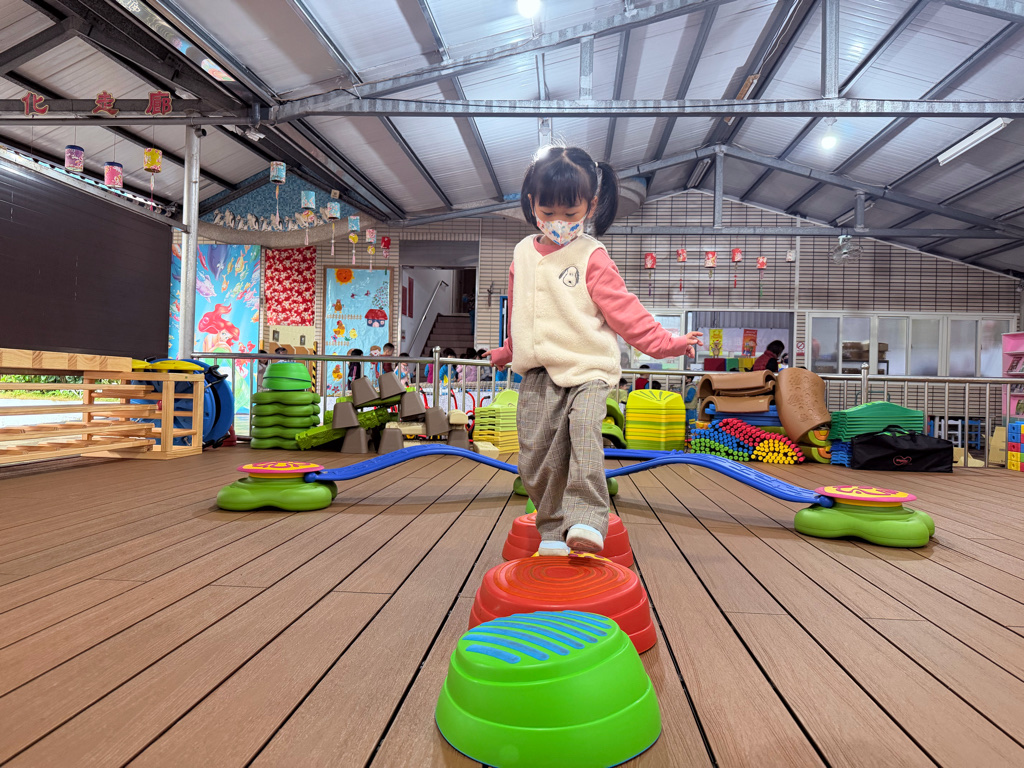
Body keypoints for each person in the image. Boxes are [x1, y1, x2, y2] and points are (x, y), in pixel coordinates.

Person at [487, 145, 702, 556]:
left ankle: (586, 518)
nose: (559, 222)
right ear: (531, 202)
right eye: (548, 212)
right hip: (538, 372)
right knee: (535, 457)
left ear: (591, 205)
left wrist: (668, 343)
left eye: (571, 213)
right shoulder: (521, 254)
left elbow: (625, 313)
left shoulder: (592, 256)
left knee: (584, 431)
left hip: (589, 369)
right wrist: (506, 351)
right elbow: (522, 313)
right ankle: (553, 530)